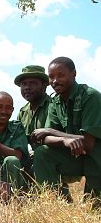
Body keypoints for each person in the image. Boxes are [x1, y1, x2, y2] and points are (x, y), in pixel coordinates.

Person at [31, 56, 101, 207]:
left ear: (74, 74)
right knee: (42, 152)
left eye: (60, 75)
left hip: (97, 158)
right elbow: (45, 139)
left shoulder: (90, 96)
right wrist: (64, 140)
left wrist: (51, 131)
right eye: (51, 77)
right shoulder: (55, 101)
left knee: (93, 210)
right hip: (77, 156)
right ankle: (61, 205)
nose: (55, 81)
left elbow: (88, 144)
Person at [14, 65, 51, 151]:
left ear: (44, 85)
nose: (27, 87)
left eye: (33, 83)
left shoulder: (53, 107)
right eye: (23, 84)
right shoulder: (23, 111)